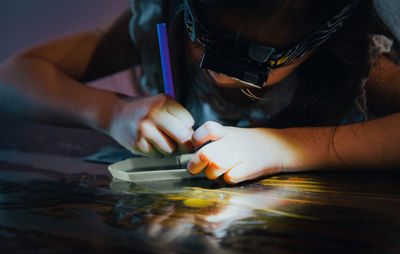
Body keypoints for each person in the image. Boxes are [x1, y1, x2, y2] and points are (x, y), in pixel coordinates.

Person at [0, 0, 399, 184]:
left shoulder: (362, 66)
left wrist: (287, 148)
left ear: (320, 39)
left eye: (253, 61)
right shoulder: (161, 18)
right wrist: (109, 112)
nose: (218, 73)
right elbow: (12, 76)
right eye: (204, 39)